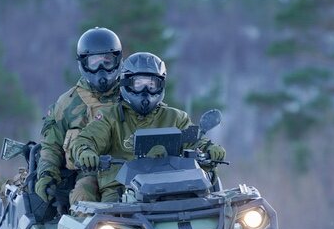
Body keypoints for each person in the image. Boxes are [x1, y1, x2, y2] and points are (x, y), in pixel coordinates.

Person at [71, 52, 226, 202]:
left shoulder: (176, 117)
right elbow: (87, 139)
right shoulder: (109, 117)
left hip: (173, 186)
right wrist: (86, 152)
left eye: (151, 84)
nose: (145, 91)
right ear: (126, 83)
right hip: (121, 191)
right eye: (138, 84)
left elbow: (194, 140)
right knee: (106, 222)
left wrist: (209, 148)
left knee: (212, 205)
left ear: (161, 85)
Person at [34, 27, 123, 206]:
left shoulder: (131, 95)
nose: (101, 69)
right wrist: (47, 175)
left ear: (117, 60)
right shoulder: (67, 103)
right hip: (88, 175)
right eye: (94, 62)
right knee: (82, 198)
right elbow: (51, 146)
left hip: (129, 172)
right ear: (83, 63)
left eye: (107, 61)